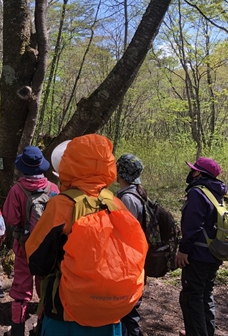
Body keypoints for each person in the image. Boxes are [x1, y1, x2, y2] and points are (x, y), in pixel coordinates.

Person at [26, 134, 132, 336]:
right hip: (111, 310)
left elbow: (37, 262)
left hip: (67, 312)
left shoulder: (60, 205)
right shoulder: (117, 204)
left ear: (68, 164)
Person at [2, 145, 59, 336]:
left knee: (21, 289)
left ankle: (17, 330)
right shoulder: (53, 189)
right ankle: (41, 327)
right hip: (48, 248)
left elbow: (10, 219)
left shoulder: (16, 191)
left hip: (24, 247)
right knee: (45, 286)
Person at [175, 157, 226, 336]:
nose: (191, 172)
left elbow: (193, 225)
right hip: (213, 254)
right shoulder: (216, 193)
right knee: (205, 295)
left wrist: (183, 250)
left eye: (193, 170)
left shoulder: (198, 192)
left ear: (198, 173)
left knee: (191, 297)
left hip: (197, 255)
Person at [116, 153, 147, 336]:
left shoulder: (127, 199)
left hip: (127, 262)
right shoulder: (137, 193)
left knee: (127, 310)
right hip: (135, 260)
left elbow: (124, 234)